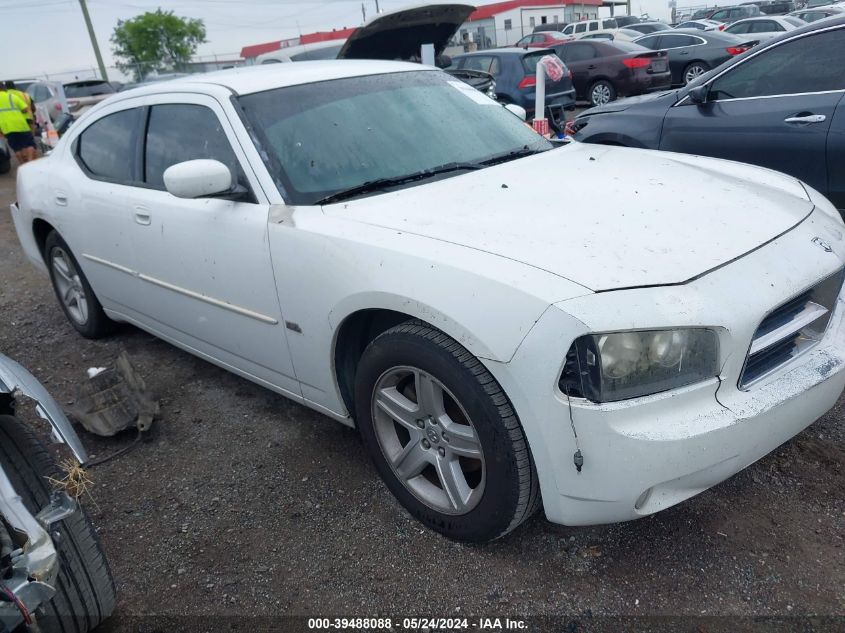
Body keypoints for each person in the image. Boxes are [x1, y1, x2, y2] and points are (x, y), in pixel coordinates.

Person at [0, 82, 37, 164]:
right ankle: (30, 163)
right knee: (29, 144)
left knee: (17, 148)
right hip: (20, 125)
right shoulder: (10, 96)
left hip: (6, 128)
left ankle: (22, 164)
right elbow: (25, 108)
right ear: (3, 88)